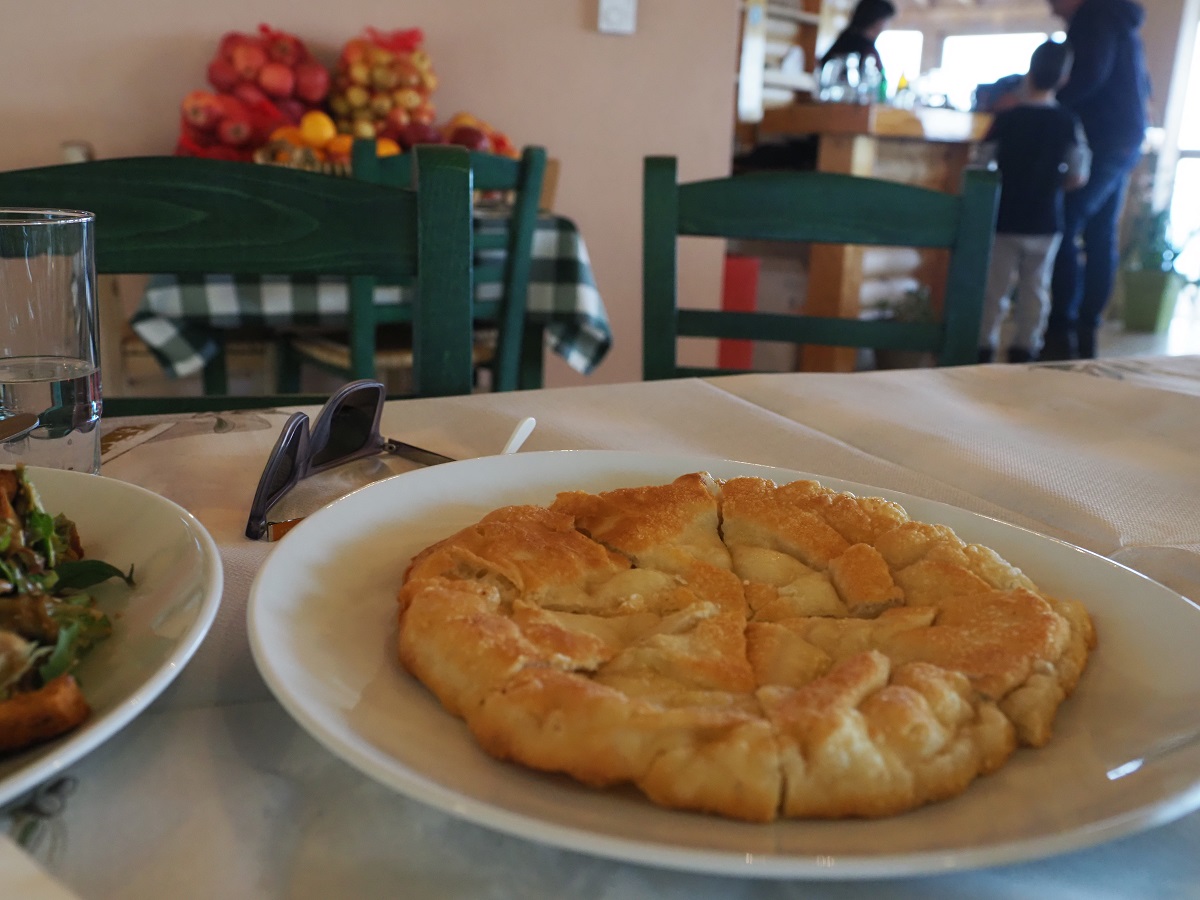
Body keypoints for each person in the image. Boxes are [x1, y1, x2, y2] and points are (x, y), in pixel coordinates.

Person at [1042, 0, 1151, 360]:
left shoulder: (1094, 17)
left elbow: (1089, 74)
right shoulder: (1118, 20)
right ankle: (1085, 333)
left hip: (1102, 139)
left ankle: (1060, 332)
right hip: (1125, 138)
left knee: (1064, 223)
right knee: (1100, 234)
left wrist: (1044, 100)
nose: (1052, 8)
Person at [978, 41, 1091, 364]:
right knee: (1036, 289)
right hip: (1046, 218)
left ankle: (983, 346)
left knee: (994, 289)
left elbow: (981, 162)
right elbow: (1078, 174)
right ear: (1064, 78)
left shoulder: (1006, 119)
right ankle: (1025, 348)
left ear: (1029, 72)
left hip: (1004, 217)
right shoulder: (1067, 122)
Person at [820, 0, 896, 70]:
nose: (887, 25)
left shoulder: (847, 37)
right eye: (886, 20)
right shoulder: (861, 46)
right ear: (878, 20)